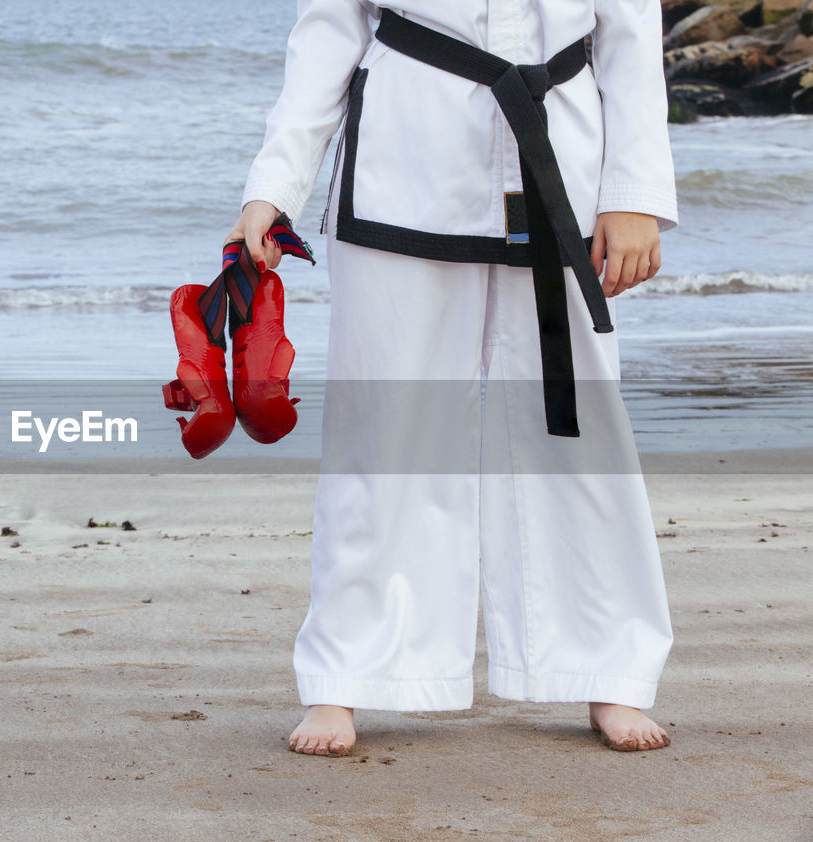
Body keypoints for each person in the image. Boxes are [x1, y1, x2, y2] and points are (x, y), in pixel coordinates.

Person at [226, 0, 677, 755]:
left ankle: (607, 662)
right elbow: (329, 33)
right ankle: (346, 674)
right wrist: (273, 188)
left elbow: (630, 35)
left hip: (557, 157)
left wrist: (634, 195)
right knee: (383, 433)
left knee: (576, 425)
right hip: (402, 164)